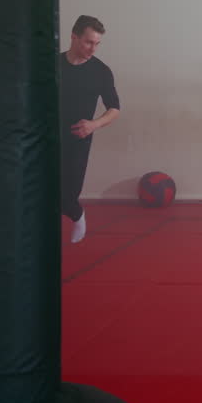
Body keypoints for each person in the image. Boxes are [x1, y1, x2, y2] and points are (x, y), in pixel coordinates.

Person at [60, 15, 120, 243]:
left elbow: (114, 108)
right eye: (88, 42)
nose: (93, 49)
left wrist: (94, 124)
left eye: (97, 44)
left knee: (67, 197)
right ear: (74, 37)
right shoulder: (51, 65)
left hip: (78, 139)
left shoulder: (101, 71)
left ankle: (77, 215)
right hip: (46, 138)